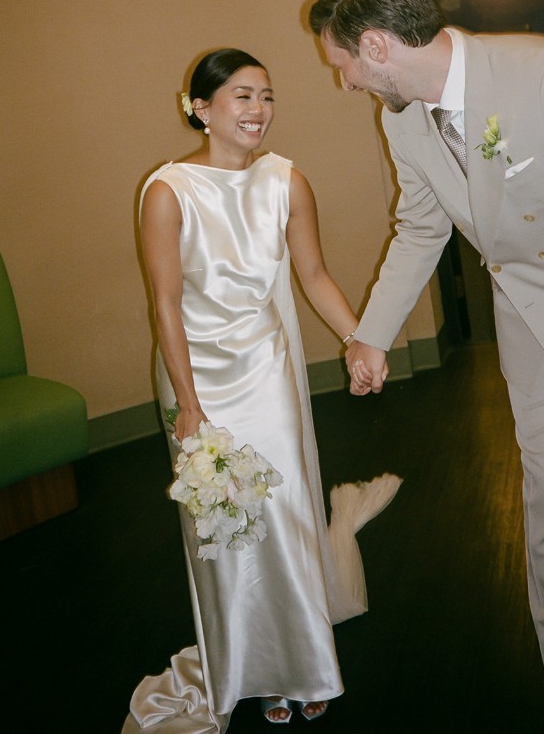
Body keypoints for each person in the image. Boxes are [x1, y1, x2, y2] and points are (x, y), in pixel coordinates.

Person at [308, 0, 544, 734]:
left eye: (344, 65)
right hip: (529, 326)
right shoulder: (402, 119)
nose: (346, 83)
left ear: (377, 47)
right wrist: (370, 336)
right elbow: (421, 228)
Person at [126, 48, 396, 733]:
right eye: (242, 95)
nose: (258, 109)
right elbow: (164, 305)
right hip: (196, 378)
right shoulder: (167, 191)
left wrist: (357, 339)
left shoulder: (287, 181)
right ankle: (251, 666)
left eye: (267, 95)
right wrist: (189, 403)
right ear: (200, 107)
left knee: (284, 510)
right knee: (222, 527)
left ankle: (305, 662)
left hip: (267, 370)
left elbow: (314, 275)